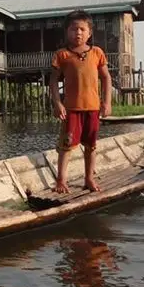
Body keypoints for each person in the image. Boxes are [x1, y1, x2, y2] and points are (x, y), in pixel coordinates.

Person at [50, 10, 112, 194]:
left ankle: (89, 178)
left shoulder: (97, 53)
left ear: (89, 33)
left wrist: (107, 102)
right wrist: (57, 103)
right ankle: (61, 180)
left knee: (91, 146)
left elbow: (106, 78)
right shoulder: (62, 55)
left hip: (92, 108)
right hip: (71, 109)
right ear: (66, 32)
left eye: (82, 29)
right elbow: (53, 80)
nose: (78, 33)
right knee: (66, 146)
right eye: (73, 29)